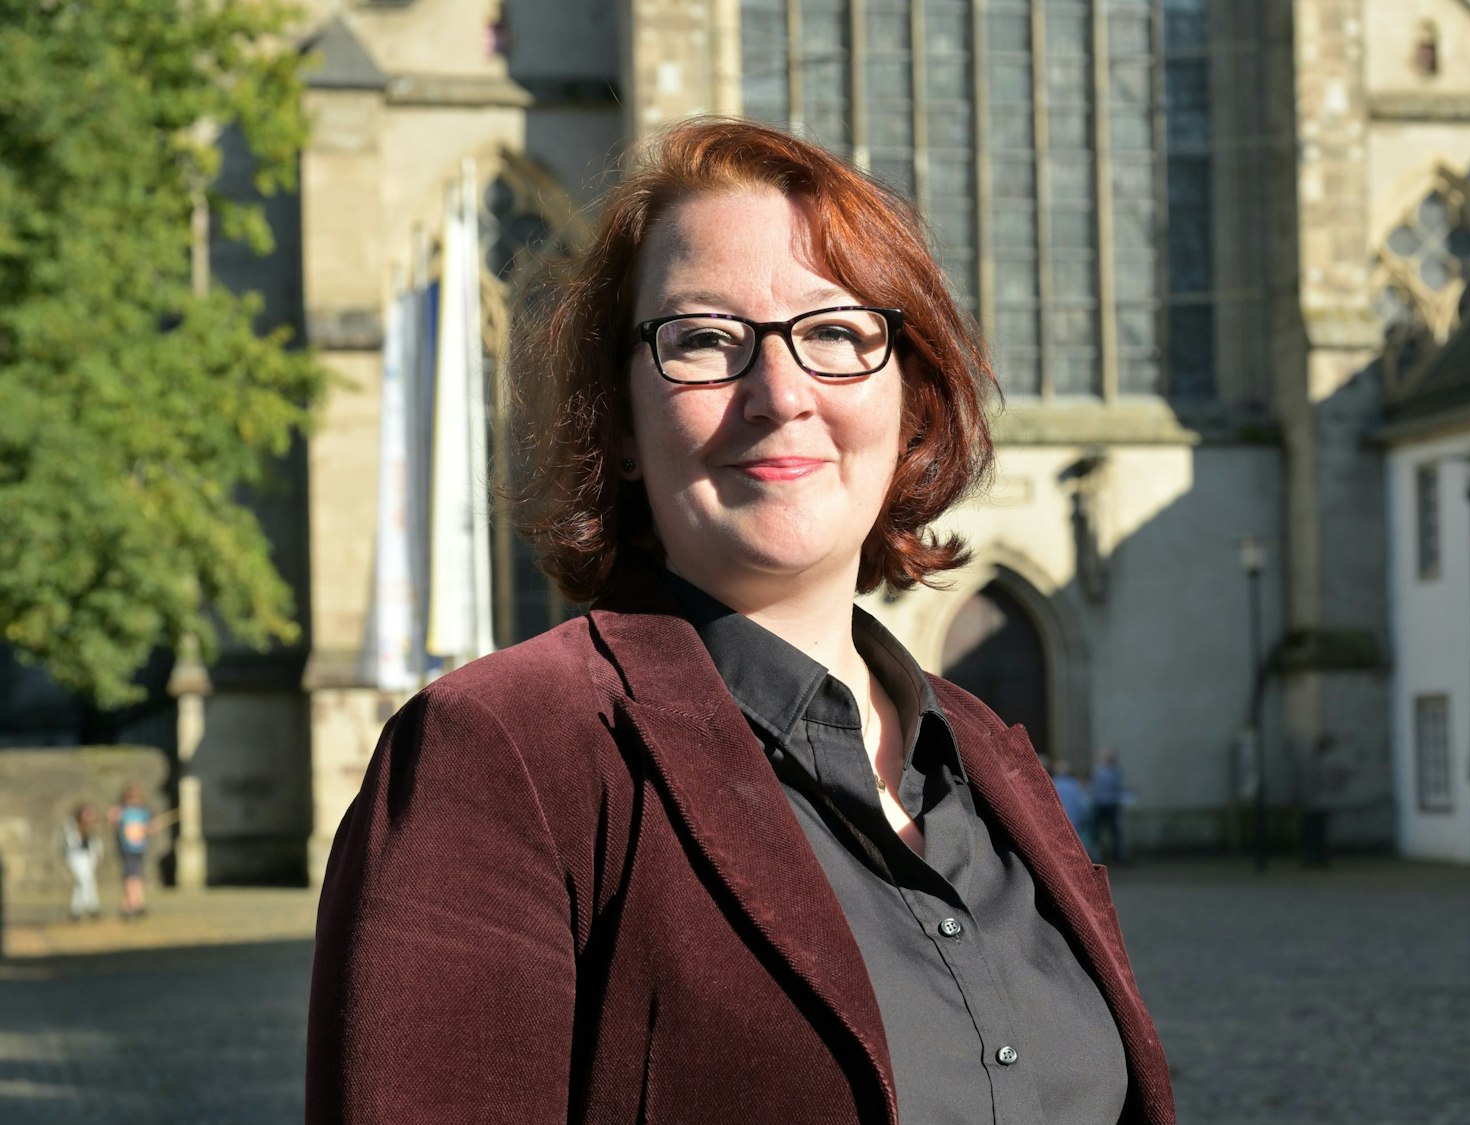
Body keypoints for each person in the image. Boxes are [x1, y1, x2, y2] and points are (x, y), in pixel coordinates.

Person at [307, 118, 1173, 1125]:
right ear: (622, 423)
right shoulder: (507, 752)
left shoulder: (986, 761)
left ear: (909, 404)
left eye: (837, 333)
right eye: (705, 340)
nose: (780, 393)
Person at [108, 783, 152, 918]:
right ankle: (131, 904)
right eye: (130, 798)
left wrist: (150, 828)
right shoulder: (122, 811)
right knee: (130, 877)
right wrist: (113, 817)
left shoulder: (143, 812)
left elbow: (147, 829)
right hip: (127, 849)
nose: (133, 801)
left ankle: (135, 903)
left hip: (139, 848)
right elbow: (112, 822)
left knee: (136, 877)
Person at [60, 802, 103, 920]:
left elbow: (96, 844)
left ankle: (76, 910)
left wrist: (98, 855)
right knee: (85, 881)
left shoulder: (93, 829)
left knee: (82, 884)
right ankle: (93, 907)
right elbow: (71, 842)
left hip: (88, 857)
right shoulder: (72, 827)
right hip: (76, 857)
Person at [1091, 751, 1131, 866]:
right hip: (1109, 804)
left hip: (1101, 804)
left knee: (1100, 833)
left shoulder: (1098, 771)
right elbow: (1118, 787)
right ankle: (1117, 856)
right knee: (1113, 833)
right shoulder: (1113, 772)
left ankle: (1098, 856)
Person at [1052, 760, 1096, 860]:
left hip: (1059, 821)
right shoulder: (1075, 784)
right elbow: (1082, 804)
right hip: (1075, 821)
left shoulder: (1053, 783)